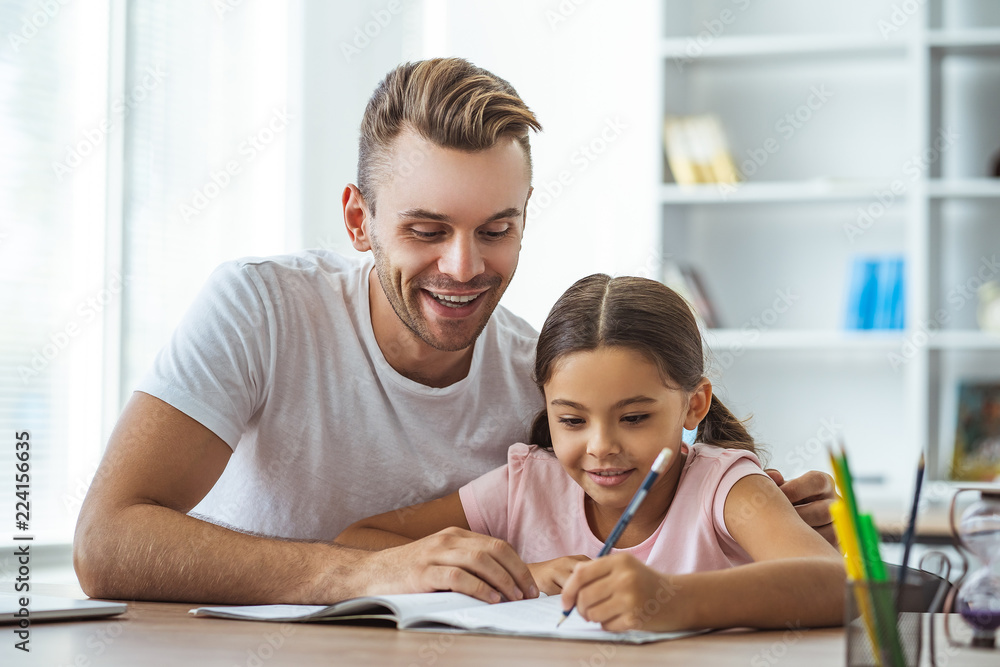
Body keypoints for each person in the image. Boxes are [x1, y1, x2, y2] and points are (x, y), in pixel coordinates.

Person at [74, 57, 838, 606]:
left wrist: (749, 512)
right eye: (427, 229)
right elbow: (106, 545)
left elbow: (642, 494)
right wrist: (370, 571)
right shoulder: (261, 308)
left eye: (497, 228)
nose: (464, 266)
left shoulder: (541, 380)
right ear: (358, 220)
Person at [337, 274, 845, 631]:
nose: (601, 446)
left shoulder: (723, 485)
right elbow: (356, 542)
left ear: (694, 405)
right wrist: (519, 579)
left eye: (635, 418)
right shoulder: (528, 484)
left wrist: (670, 601)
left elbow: (835, 584)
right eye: (573, 420)